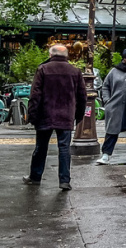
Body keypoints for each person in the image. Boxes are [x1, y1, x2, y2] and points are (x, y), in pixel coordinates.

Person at [24, 45, 86, 191]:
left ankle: (35, 176)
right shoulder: (75, 71)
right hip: (66, 115)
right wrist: (78, 116)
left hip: (45, 114)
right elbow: (82, 96)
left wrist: (33, 115)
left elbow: (35, 95)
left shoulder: (43, 69)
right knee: (64, 148)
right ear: (66, 55)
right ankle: (64, 180)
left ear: (51, 54)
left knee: (41, 147)